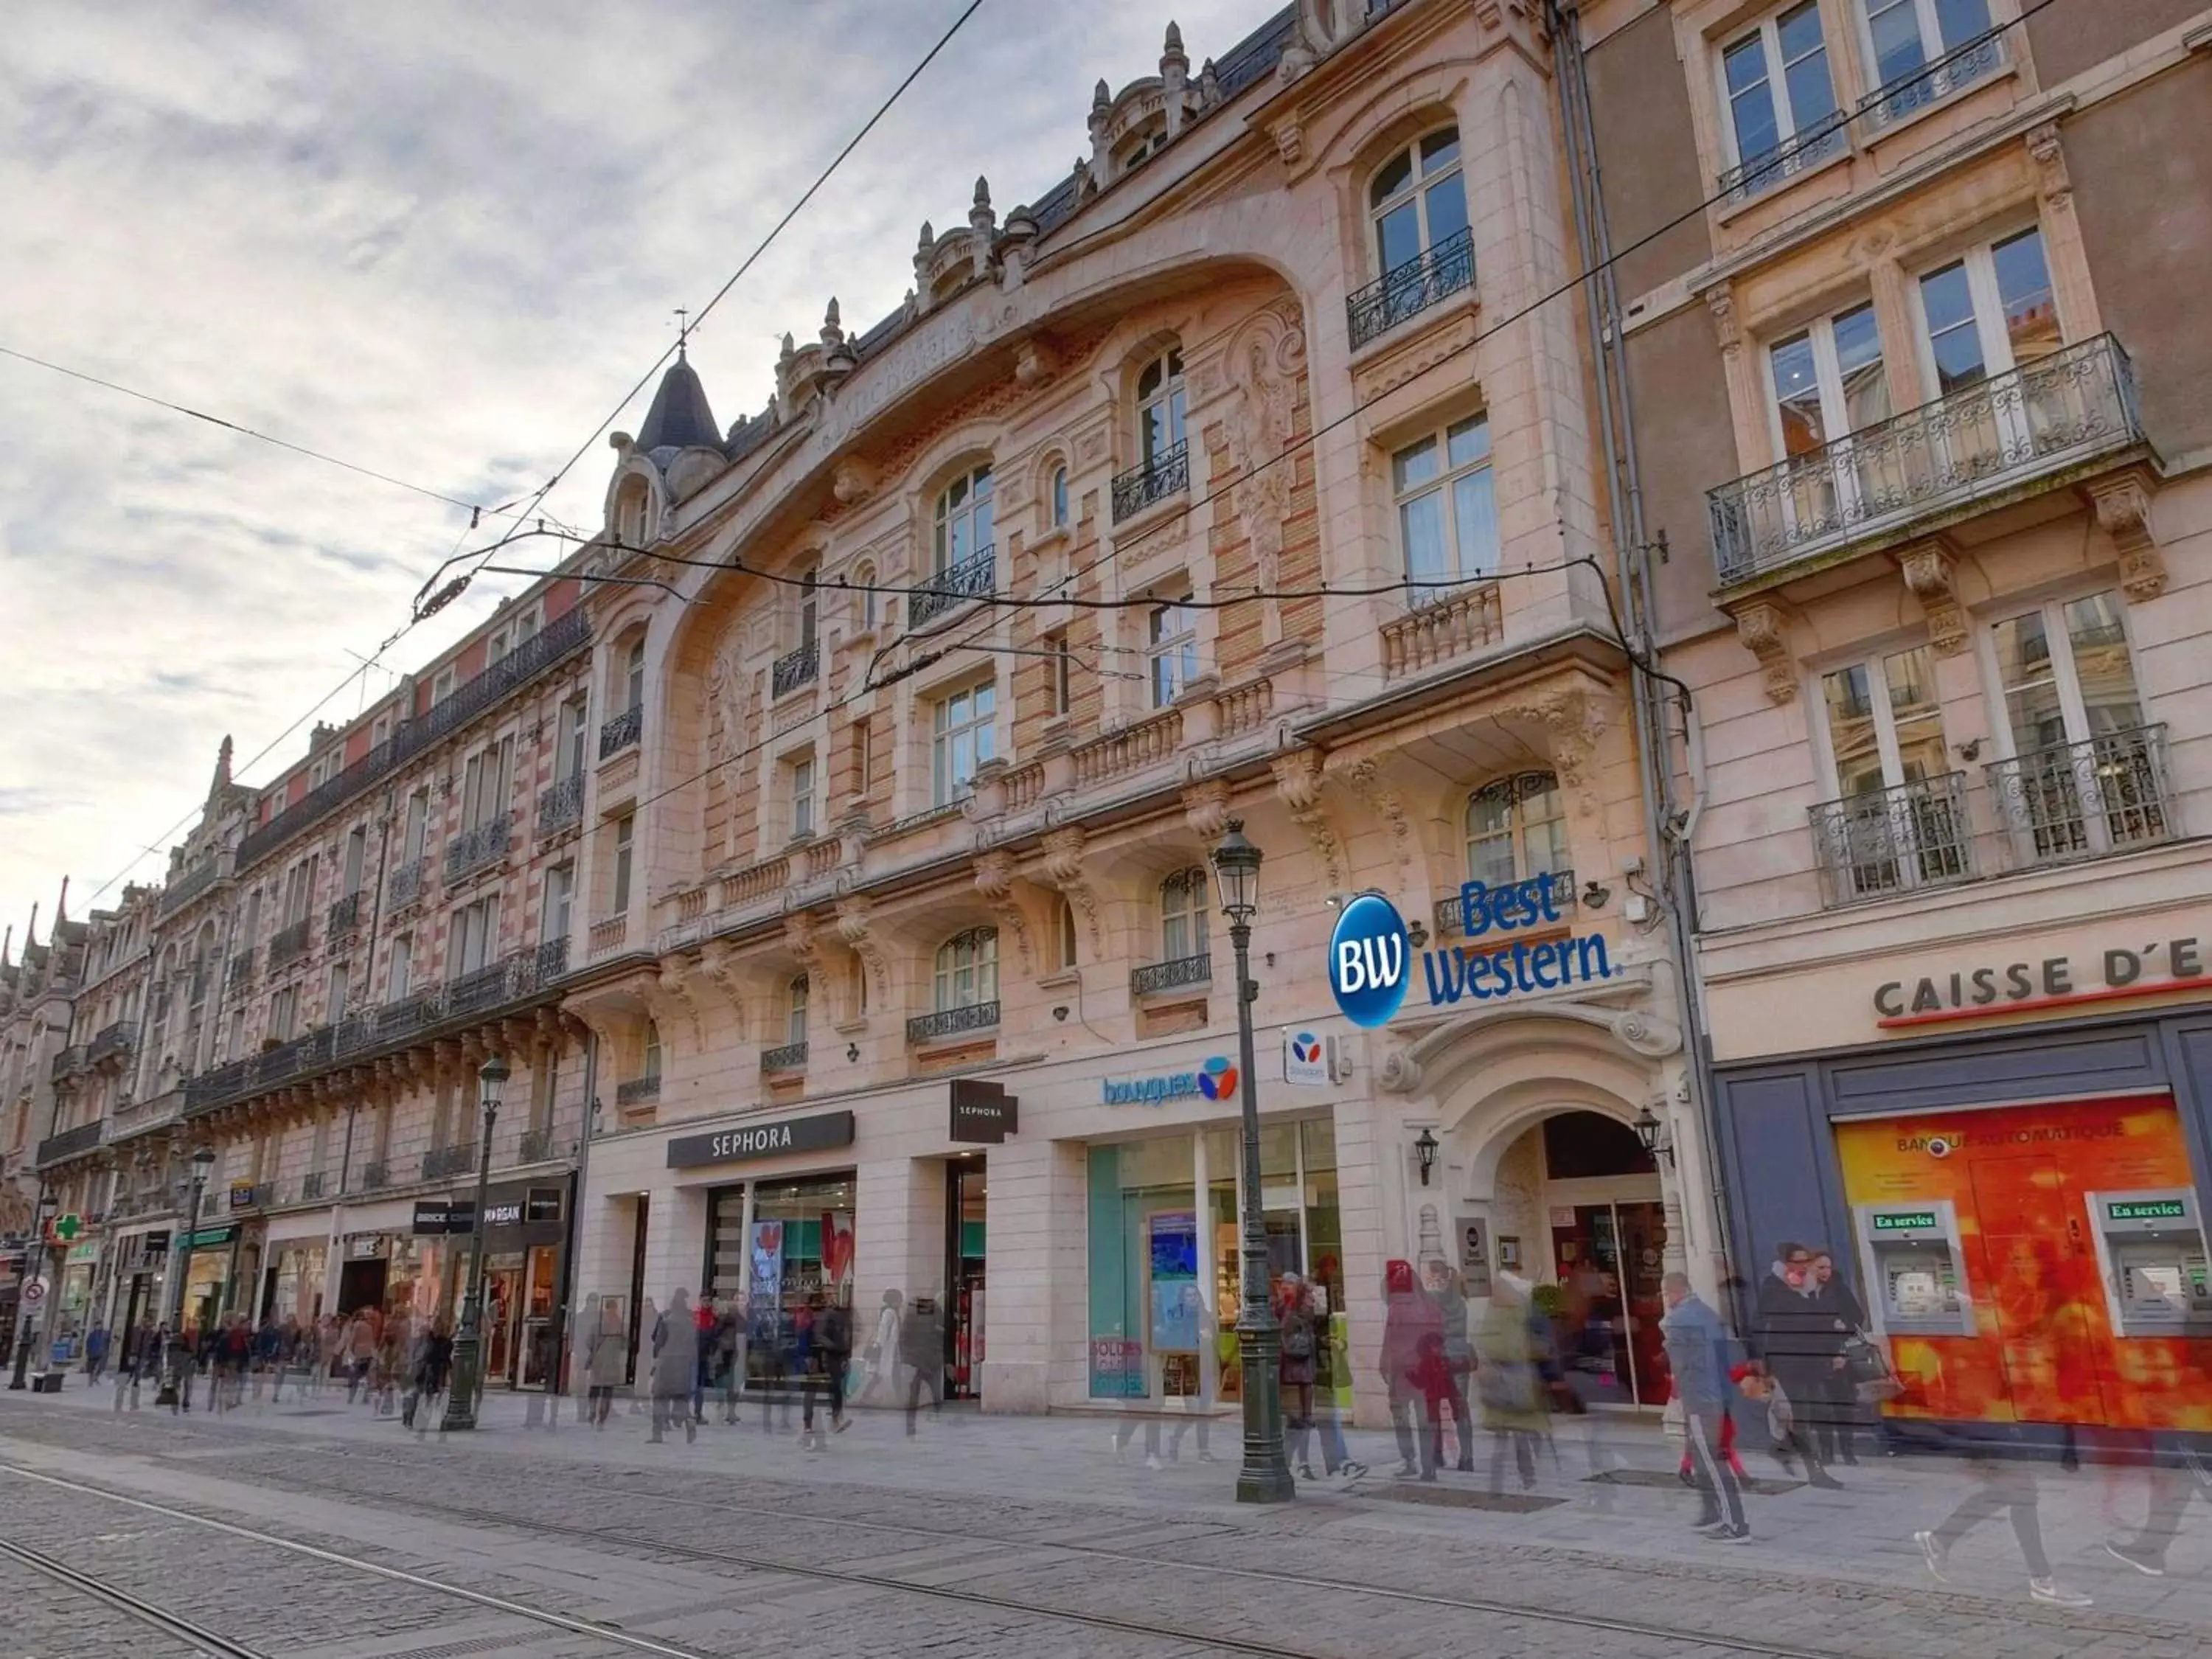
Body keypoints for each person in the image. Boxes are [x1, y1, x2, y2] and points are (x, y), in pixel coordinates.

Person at [1661, 1270, 1749, 1543]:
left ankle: (1735, 1524)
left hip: (1700, 1397)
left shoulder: (1678, 1320)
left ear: (1674, 1291)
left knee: (1711, 1461)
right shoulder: (1709, 1314)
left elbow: (1678, 1364)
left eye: (1666, 1293)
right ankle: (1712, 1511)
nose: (1666, 1299)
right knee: (1703, 1457)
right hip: (1718, 1394)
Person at [1752, 1242, 1844, 1489]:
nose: (1804, 1266)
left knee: (1821, 1412)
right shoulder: (1774, 1287)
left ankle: (1782, 1448)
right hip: (1789, 1360)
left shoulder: (1810, 1286)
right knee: (1804, 1416)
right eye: (1798, 1262)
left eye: (1806, 1261)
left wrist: (1834, 1345)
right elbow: (1762, 1325)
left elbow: (1817, 1321)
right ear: (1786, 1262)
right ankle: (1816, 1472)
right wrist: (1763, 1363)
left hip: (1813, 1359)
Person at [1475, 1271, 1550, 1493]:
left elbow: (1512, 1344)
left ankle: (1523, 1477)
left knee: (1518, 1432)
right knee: (1508, 1435)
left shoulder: (1518, 1311)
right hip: (1505, 1380)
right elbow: (1492, 1342)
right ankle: (1505, 1482)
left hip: (1514, 1380)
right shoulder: (1502, 1312)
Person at [1380, 1259, 1441, 1478]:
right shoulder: (1430, 1305)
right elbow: (1439, 1337)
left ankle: (1409, 1460)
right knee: (1425, 1420)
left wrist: (1384, 1367)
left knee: (1401, 1418)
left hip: (1403, 1371)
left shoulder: (1396, 1309)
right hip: (1424, 1371)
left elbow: (1390, 1340)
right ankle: (1429, 1465)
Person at [1809, 1250, 1867, 1467]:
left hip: (1840, 1356)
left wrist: (1844, 1324)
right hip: (1815, 1358)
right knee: (1821, 1409)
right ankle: (1826, 1453)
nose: (1825, 1272)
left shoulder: (1838, 1288)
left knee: (1843, 1406)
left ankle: (1848, 1451)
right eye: (1820, 1267)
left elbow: (1857, 1316)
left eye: (1828, 1267)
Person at [1425, 1260, 1476, 1472]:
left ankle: (1437, 1454)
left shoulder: (1438, 1298)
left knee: (1434, 1408)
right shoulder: (1460, 1300)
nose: (1428, 1280)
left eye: (1431, 1276)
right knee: (1460, 1409)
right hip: (1460, 1359)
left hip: (1441, 1360)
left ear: (1440, 1277)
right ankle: (1467, 1457)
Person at [650, 1290, 699, 1445]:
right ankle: (690, 1423)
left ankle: (657, 1433)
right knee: (681, 1398)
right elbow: (693, 1344)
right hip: (683, 1363)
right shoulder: (690, 1321)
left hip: (667, 1362)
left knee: (659, 1397)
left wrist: (656, 1359)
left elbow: (658, 1342)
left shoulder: (666, 1320)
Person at [902, 1293, 944, 1435]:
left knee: (915, 1395)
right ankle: (934, 1419)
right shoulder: (936, 1313)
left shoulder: (911, 1315)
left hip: (919, 1361)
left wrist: (906, 1356)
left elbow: (904, 1337)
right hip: (928, 1360)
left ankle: (910, 1426)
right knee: (935, 1393)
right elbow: (941, 1336)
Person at [585, 1297, 625, 1427]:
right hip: (610, 1361)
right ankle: (601, 1417)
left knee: (597, 1388)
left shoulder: (598, 1323)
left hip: (600, 1360)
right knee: (606, 1389)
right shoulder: (618, 1324)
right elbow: (624, 1344)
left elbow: (589, 1341)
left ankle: (593, 1413)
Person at [83, 1321, 110, 1385]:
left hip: (101, 1353)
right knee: (91, 1368)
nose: (98, 1327)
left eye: (100, 1325)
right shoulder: (92, 1334)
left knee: (100, 1366)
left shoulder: (104, 1334)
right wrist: (88, 1351)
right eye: (97, 1326)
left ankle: (95, 1377)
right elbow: (88, 1343)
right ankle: (91, 1381)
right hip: (93, 1353)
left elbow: (108, 1341)